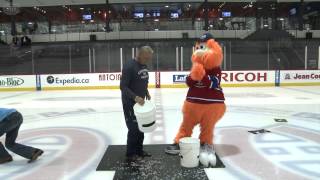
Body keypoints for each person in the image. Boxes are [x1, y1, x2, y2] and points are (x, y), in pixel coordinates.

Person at [120, 46, 153, 161]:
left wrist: (146, 92)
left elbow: (142, 81)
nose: (147, 60)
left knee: (141, 127)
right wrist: (135, 97)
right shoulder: (129, 66)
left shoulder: (144, 65)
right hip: (130, 103)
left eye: (149, 58)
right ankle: (131, 154)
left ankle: (139, 150)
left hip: (140, 103)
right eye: (146, 58)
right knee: (133, 128)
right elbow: (123, 87)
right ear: (139, 55)